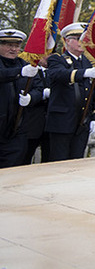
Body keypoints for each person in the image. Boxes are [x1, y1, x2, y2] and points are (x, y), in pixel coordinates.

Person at [45, 22, 95, 161]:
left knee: (77, 162)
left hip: (82, 122)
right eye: (77, 38)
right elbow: (58, 75)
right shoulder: (57, 59)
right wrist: (84, 73)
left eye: (83, 39)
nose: (81, 42)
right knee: (59, 162)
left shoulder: (89, 63)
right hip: (62, 123)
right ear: (66, 41)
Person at [0, 28, 45, 167]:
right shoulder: (22, 69)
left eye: (17, 45)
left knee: (15, 167)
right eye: (9, 45)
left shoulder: (25, 65)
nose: (14, 49)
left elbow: (39, 88)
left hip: (17, 128)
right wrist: (19, 72)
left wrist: (31, 98)